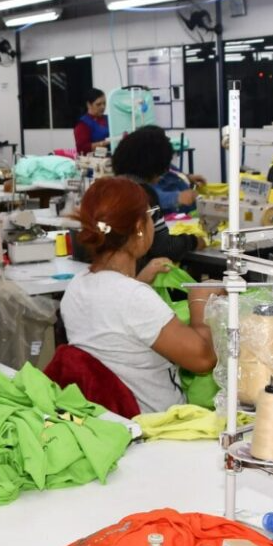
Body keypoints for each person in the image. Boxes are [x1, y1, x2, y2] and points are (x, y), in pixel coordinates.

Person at [61, 177, 219, 414]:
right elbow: (203, 360)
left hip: (108, 417)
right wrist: (200, 301)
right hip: (156, 422)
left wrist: (139, 281)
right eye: (151, 215)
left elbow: (115, 322)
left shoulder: (77, 285)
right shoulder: (134, 298)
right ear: (139, 227)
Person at [110, 125, 203, 264]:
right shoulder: (144, 195)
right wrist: (193, 241)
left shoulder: (105, 188)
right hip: (134, 270)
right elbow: (164, 246)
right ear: (154, 165)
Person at [72, 88, 110, 155]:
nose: (103, 107)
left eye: (104, 103)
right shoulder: (83, 124)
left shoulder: (108, 119)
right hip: (94, 159)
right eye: (98, 104)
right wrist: (104, 143)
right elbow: (82, 149)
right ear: (89, 105)